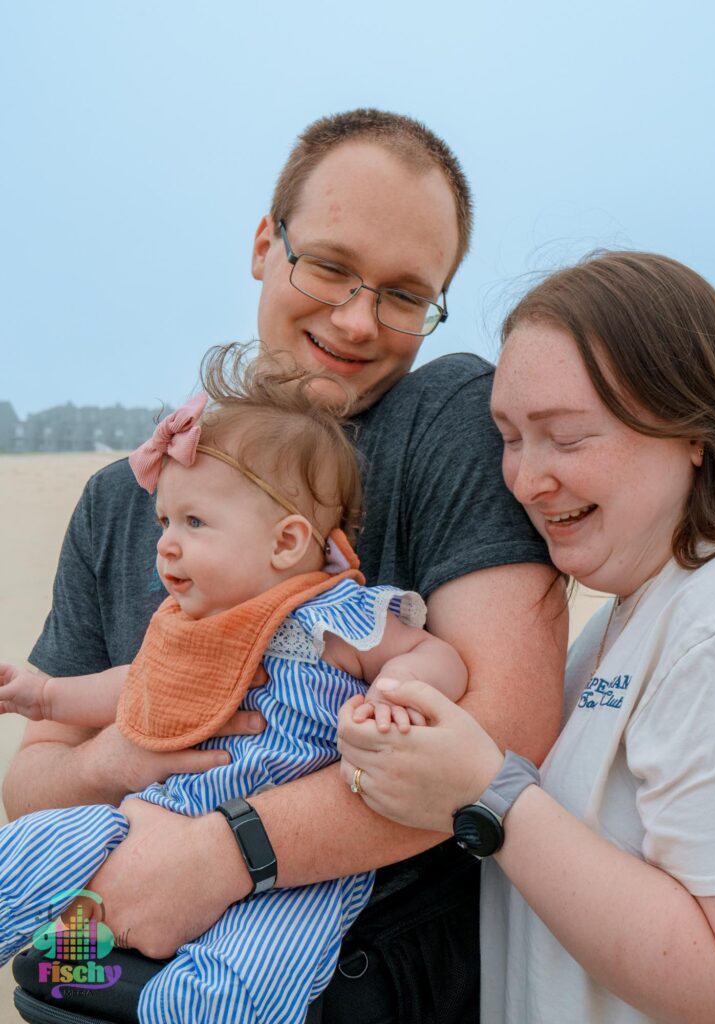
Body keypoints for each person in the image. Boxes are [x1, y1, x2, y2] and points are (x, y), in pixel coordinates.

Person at [2, 110, 565, 1022]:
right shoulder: (124, 497)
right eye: (330, 267)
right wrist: (128, 751)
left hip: (353, 985)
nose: (357, 319)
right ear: (266, 243)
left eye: (403, 294)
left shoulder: (445, 420)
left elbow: (507, 736)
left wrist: (222, 857)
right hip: (91, 972)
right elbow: (28, 789)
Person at [338, 251, 715, 1023]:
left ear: (692, 430)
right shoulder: (620, 623)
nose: (526, 479)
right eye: (509, 437)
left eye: (564, 437)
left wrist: (483, 795)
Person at [0, 349, 468, 1022]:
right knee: (29, 851)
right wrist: (44, 697)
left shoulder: (333, 618)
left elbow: (435, 655)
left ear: (285, 543)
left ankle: (174, 1006)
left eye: (193, 523)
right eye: (164, 521)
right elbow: (128, 688)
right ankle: (64, 960)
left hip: (296, 869)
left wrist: (394, 692)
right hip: (148, 824)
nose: (164, 543)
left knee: (246, 983)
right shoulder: (194, 627)